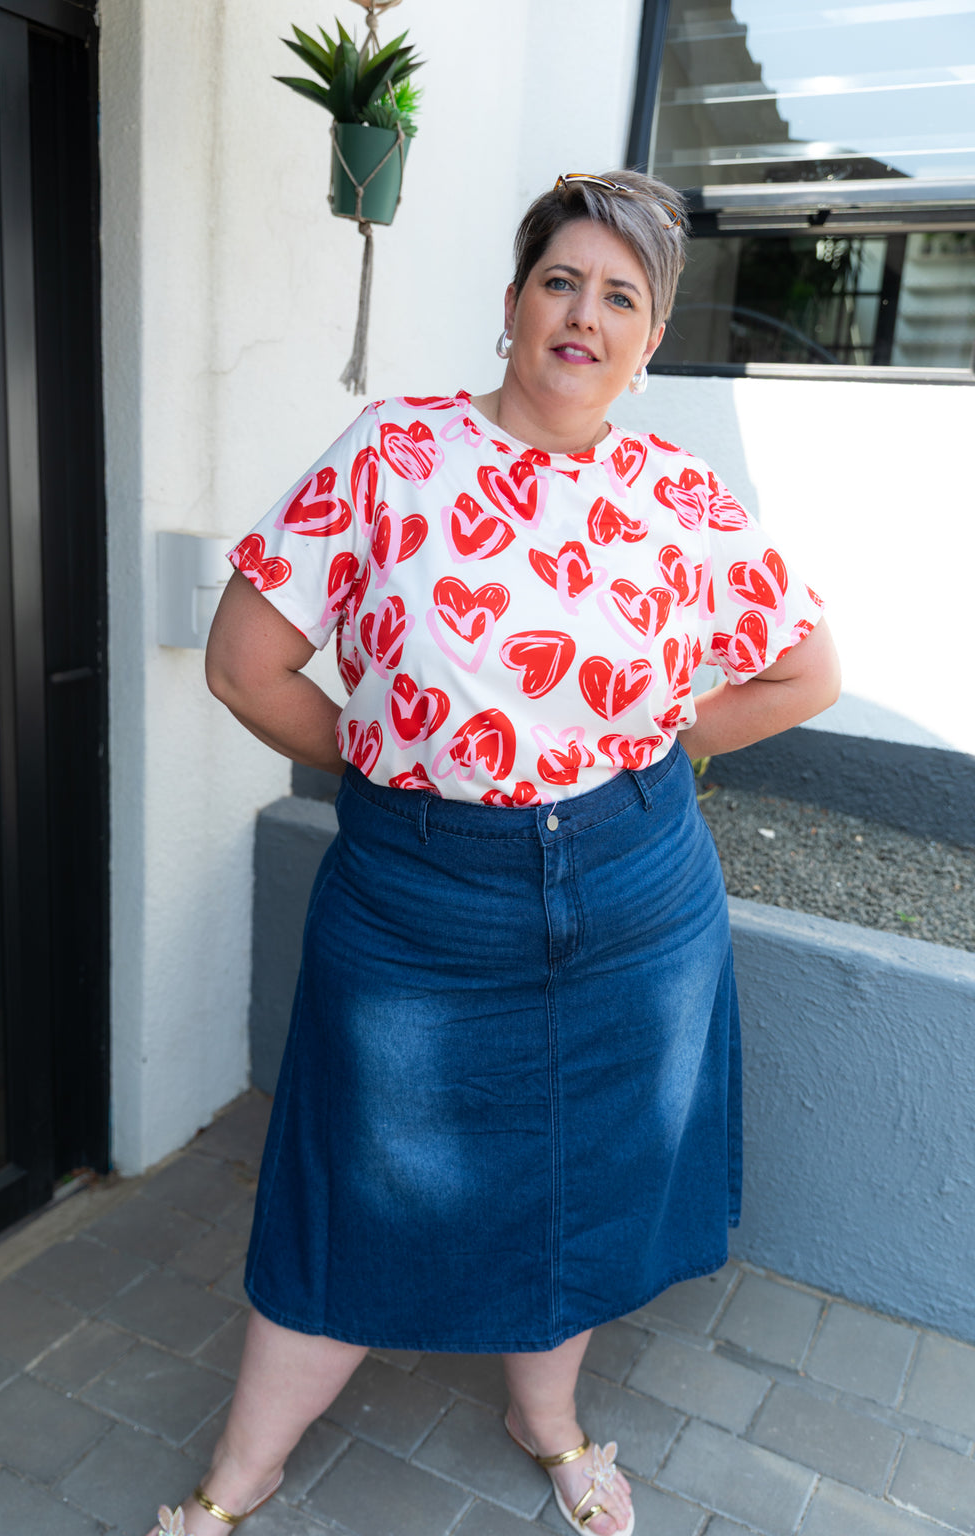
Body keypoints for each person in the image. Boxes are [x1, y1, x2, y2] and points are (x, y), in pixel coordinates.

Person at [149, 171, 840, 1536]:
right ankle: (245, 1469)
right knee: (354, 1172)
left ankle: (550, 1419)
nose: (585, 316)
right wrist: (397, 763)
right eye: (560, 282)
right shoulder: (392, 454)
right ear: (513, 306)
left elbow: (808, 672)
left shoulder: (680, 498)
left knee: (588, 1175)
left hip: (638, 896)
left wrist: (667, 740)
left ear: (651, 346)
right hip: (421, 902)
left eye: (621, 298)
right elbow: (246, 663)